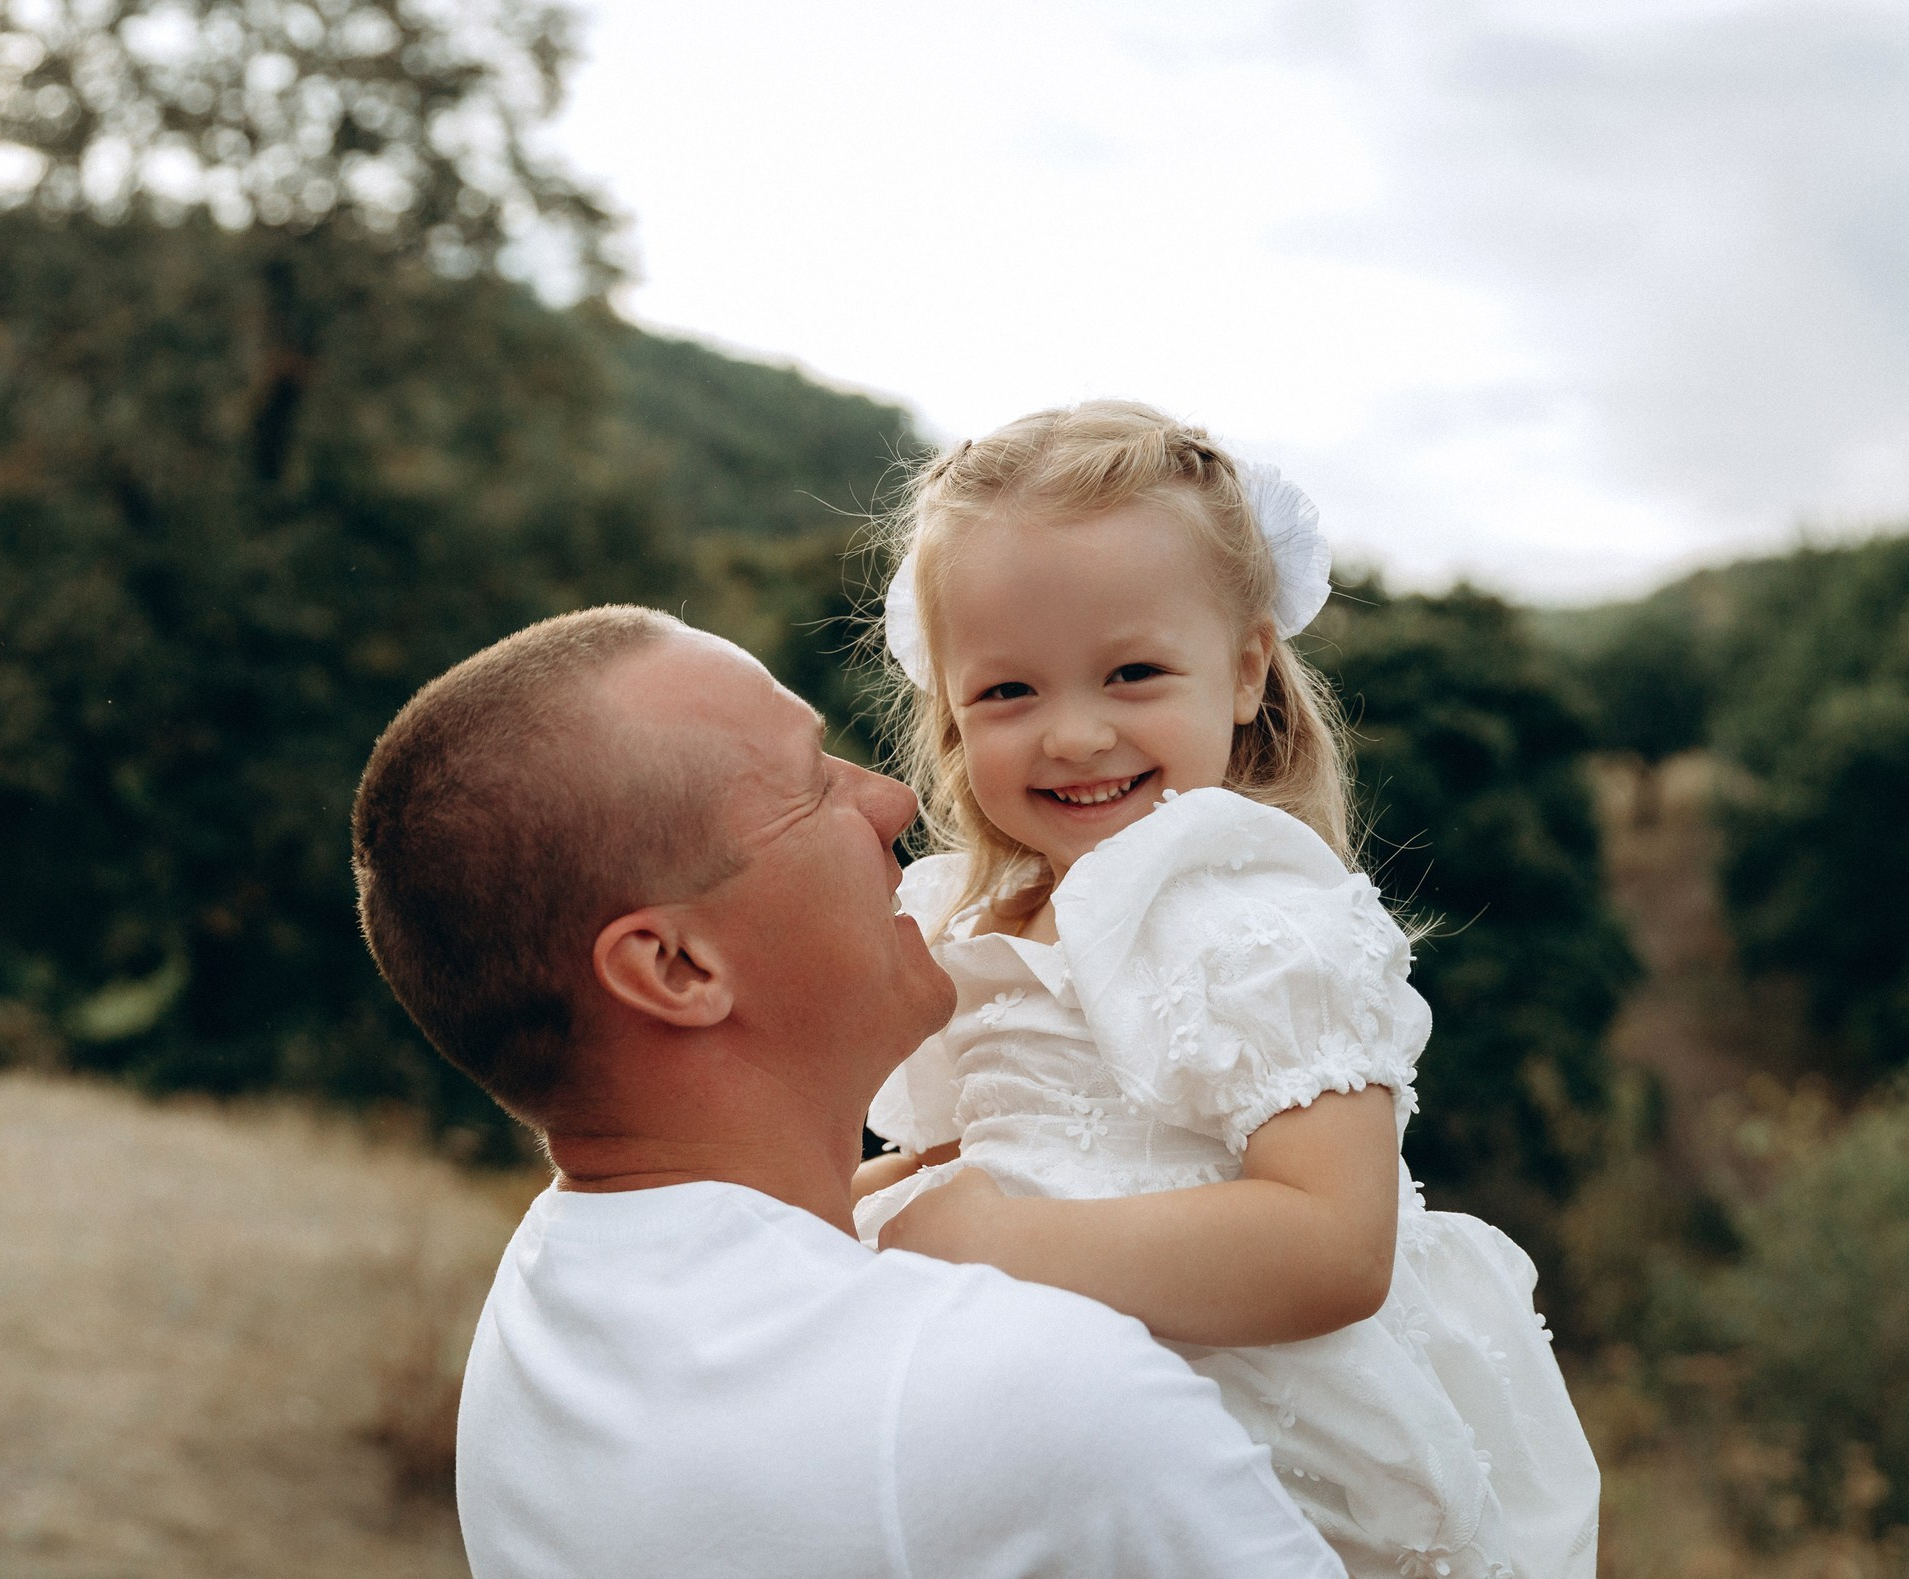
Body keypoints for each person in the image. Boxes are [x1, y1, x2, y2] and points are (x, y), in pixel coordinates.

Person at [352, 606, 1344, 1579]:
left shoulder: (539, 1313)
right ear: (676, 968)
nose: (889, 801)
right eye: (808, 783)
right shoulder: (1035, 1400)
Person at [852, 401, 1600, 1579]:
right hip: (1063, 1428)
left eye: (1133, 673)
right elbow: (1000, 1147)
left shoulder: (1245, 912)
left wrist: (993, 1241)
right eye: (1007, 693)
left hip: (1262, 1450)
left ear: (1246, 668)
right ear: (946, 699)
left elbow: (1330, 1248)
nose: (1075, 733)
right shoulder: (978, 919)